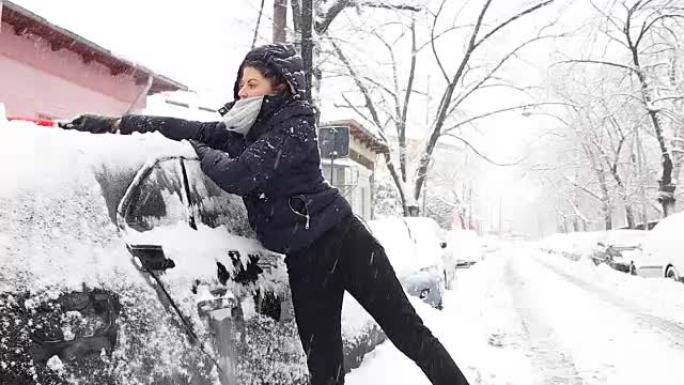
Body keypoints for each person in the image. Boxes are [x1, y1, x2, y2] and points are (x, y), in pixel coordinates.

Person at [61, 43, 470, 385]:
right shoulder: (244, 130)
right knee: (323, 366)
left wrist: (204, 152)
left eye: (252, 83)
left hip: (344, 242)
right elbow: (180, 125)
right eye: (240, 84)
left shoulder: (296, 124)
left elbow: (238, 175)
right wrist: (116, 123)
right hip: (305, 258)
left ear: (279, 86)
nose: (242, 91)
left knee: (408, 333)